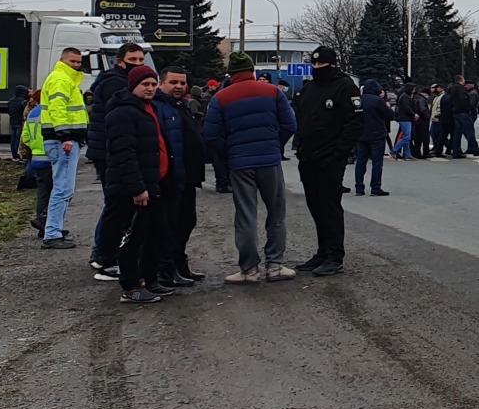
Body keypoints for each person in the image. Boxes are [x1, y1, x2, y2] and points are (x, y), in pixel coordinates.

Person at [202, 51, 298, 283]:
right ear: (252, 71)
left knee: (245, 214)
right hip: (269, 161)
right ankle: (275, 266)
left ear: (231, 74)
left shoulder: (221, 98)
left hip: (240, 163)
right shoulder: (273, 92)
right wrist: (275, 146)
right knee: (276, 213)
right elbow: (290, 124)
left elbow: (211, 135)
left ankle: (249, 270)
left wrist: (229, 153)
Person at [102, 65, 170, 304]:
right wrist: (137, 188)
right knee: (133, 239)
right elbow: (124, 154)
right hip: (132, 189)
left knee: (154, 234)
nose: (150, 88)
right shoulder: (123, 113)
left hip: (151, 184)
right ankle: (130, 287)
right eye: (145, 84)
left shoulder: (145, 109)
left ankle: (149, 280)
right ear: (133, 86)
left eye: (153, 84)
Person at [292, 45, 361, 276]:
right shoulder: (309, 88)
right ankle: (322, 252)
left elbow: (354, 123)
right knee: (315, 206)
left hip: (330, 159)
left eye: (321, 65)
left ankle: (334, 255)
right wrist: (300, 147)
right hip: (308, 158)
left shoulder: (345, 87)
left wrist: (338, 155)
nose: (317, 68)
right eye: (314, 64)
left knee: (329, 207)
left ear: (332, 65)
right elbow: (301, 119)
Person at [86, 42, 148, 268]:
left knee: (117, 204)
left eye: (141, 60)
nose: (138, 64)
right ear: (120, 61)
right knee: (116, 204)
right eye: (133, 60)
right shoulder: (116, 83)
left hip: (108, 148)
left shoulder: (119, 80)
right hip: (108, 151)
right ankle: (102, 253)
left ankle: (106, 250)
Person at [153, 66, 207, 286]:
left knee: (186, 222)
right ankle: (165, 270)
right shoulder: (159, 107)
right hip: (171, 179)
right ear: (162, 84)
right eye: (173, 82)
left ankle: (179, 264)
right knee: (169, 226)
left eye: (182, 83)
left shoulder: (181, 105)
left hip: (187, 178)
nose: (178, 86)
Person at [38, 46, 88, 250]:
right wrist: (65, 135)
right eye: (72, 62)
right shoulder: (61, 79)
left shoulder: (62, 78)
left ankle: (54, 229)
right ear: (62, 60)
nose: (76, 65)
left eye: (78, 62)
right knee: (63, 188)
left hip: (61, 140)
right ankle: (52, 233)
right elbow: (58, 109)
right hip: (63, 141)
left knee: (62, 188)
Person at [20, 91, 52, 234]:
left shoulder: (32, 114)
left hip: (36, 159)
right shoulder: (49, 112)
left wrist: (35, 147)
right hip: (50, 157)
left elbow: (25, 137)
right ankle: (46, 223)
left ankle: (41, 221)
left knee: (42, 192)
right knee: (56, 192)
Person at [355, 80, 393, 194]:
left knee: (360, 162)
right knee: (377, 162)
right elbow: (390, 116)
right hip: (377, 135)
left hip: (361, 135)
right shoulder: (378, 101)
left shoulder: (357, 100)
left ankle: (359, 188)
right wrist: (388, 107)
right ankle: (375, 187)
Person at [444, 76, 475, 157]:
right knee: (470, 131)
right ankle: (473, 148)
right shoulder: (461, 89)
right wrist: (468, 108)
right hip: (463, 112)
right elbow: (463, 100)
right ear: (461, 81)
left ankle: (456, 151)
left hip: (455, 112)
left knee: (457, 133)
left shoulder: (452, 89)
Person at [6, 85, 28, 159]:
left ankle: (14, 154)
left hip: (12, 122)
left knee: (13, 139)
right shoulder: (23, 101)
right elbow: (25, 112)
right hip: (20, 123)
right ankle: (17, 155)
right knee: (18, 140)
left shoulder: (11, 101)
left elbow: (8, 111)